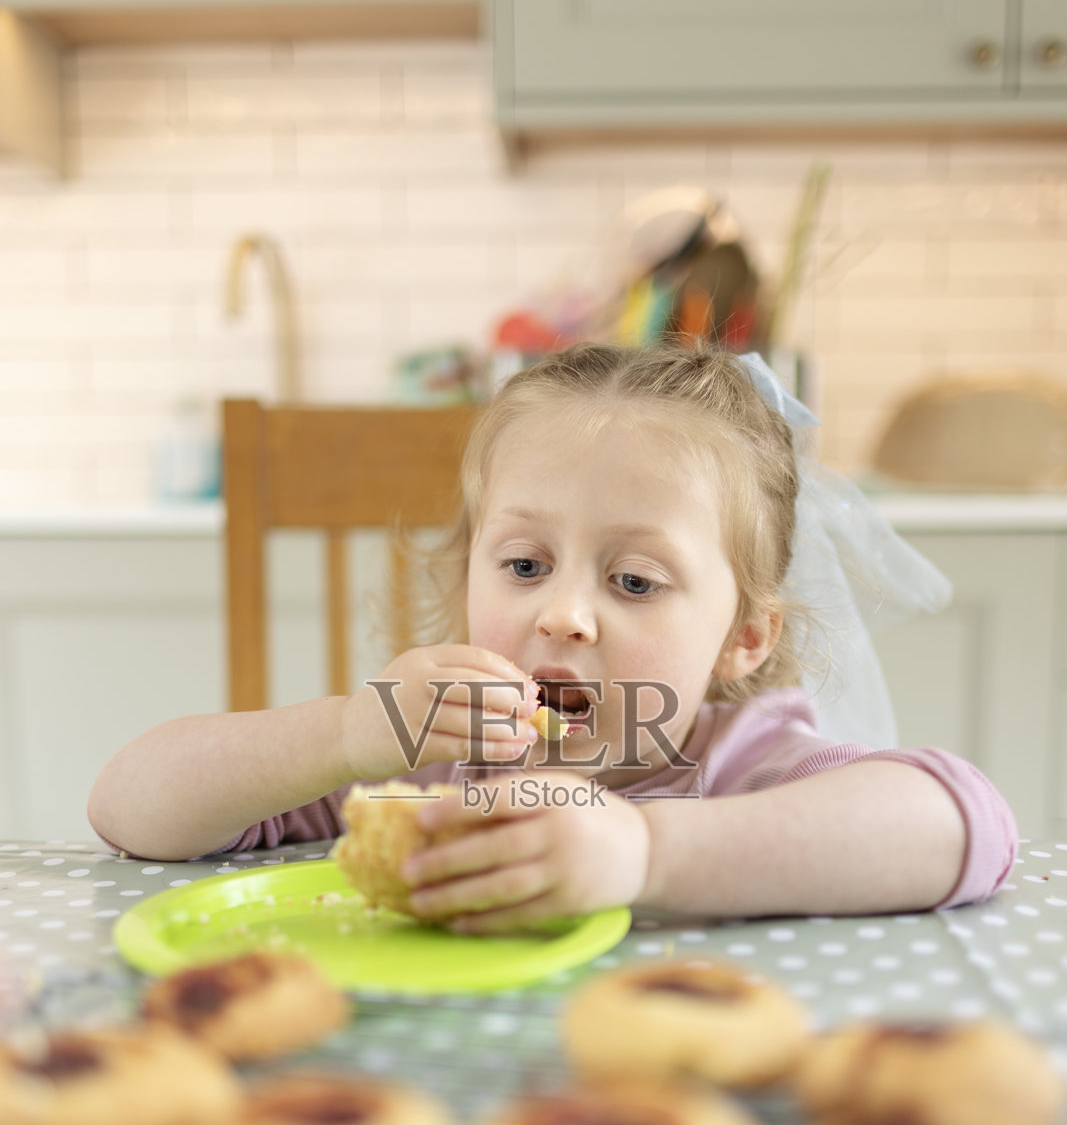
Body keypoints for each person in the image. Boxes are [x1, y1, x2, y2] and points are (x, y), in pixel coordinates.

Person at [88, 344, 1017, 929]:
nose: (563, 613)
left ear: (743, 638)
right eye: (526, 566)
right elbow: (128, 809)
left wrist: (647, 854)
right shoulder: (426, 766)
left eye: (634, 580)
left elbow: (964, 824)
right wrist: (340, 733)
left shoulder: (746, 763)